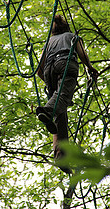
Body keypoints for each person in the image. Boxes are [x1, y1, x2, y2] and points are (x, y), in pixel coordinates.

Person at [36, 15, 98, 173]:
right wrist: (90, 68)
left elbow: (39, 70)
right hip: (66, 63)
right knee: (62, 98)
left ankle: (60, 156)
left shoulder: (48, 43)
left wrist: (48, 82)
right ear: (66, 27)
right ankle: (47, 110)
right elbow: (82, 54)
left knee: (60, 113)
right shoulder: (72, 37)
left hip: (49, 69)